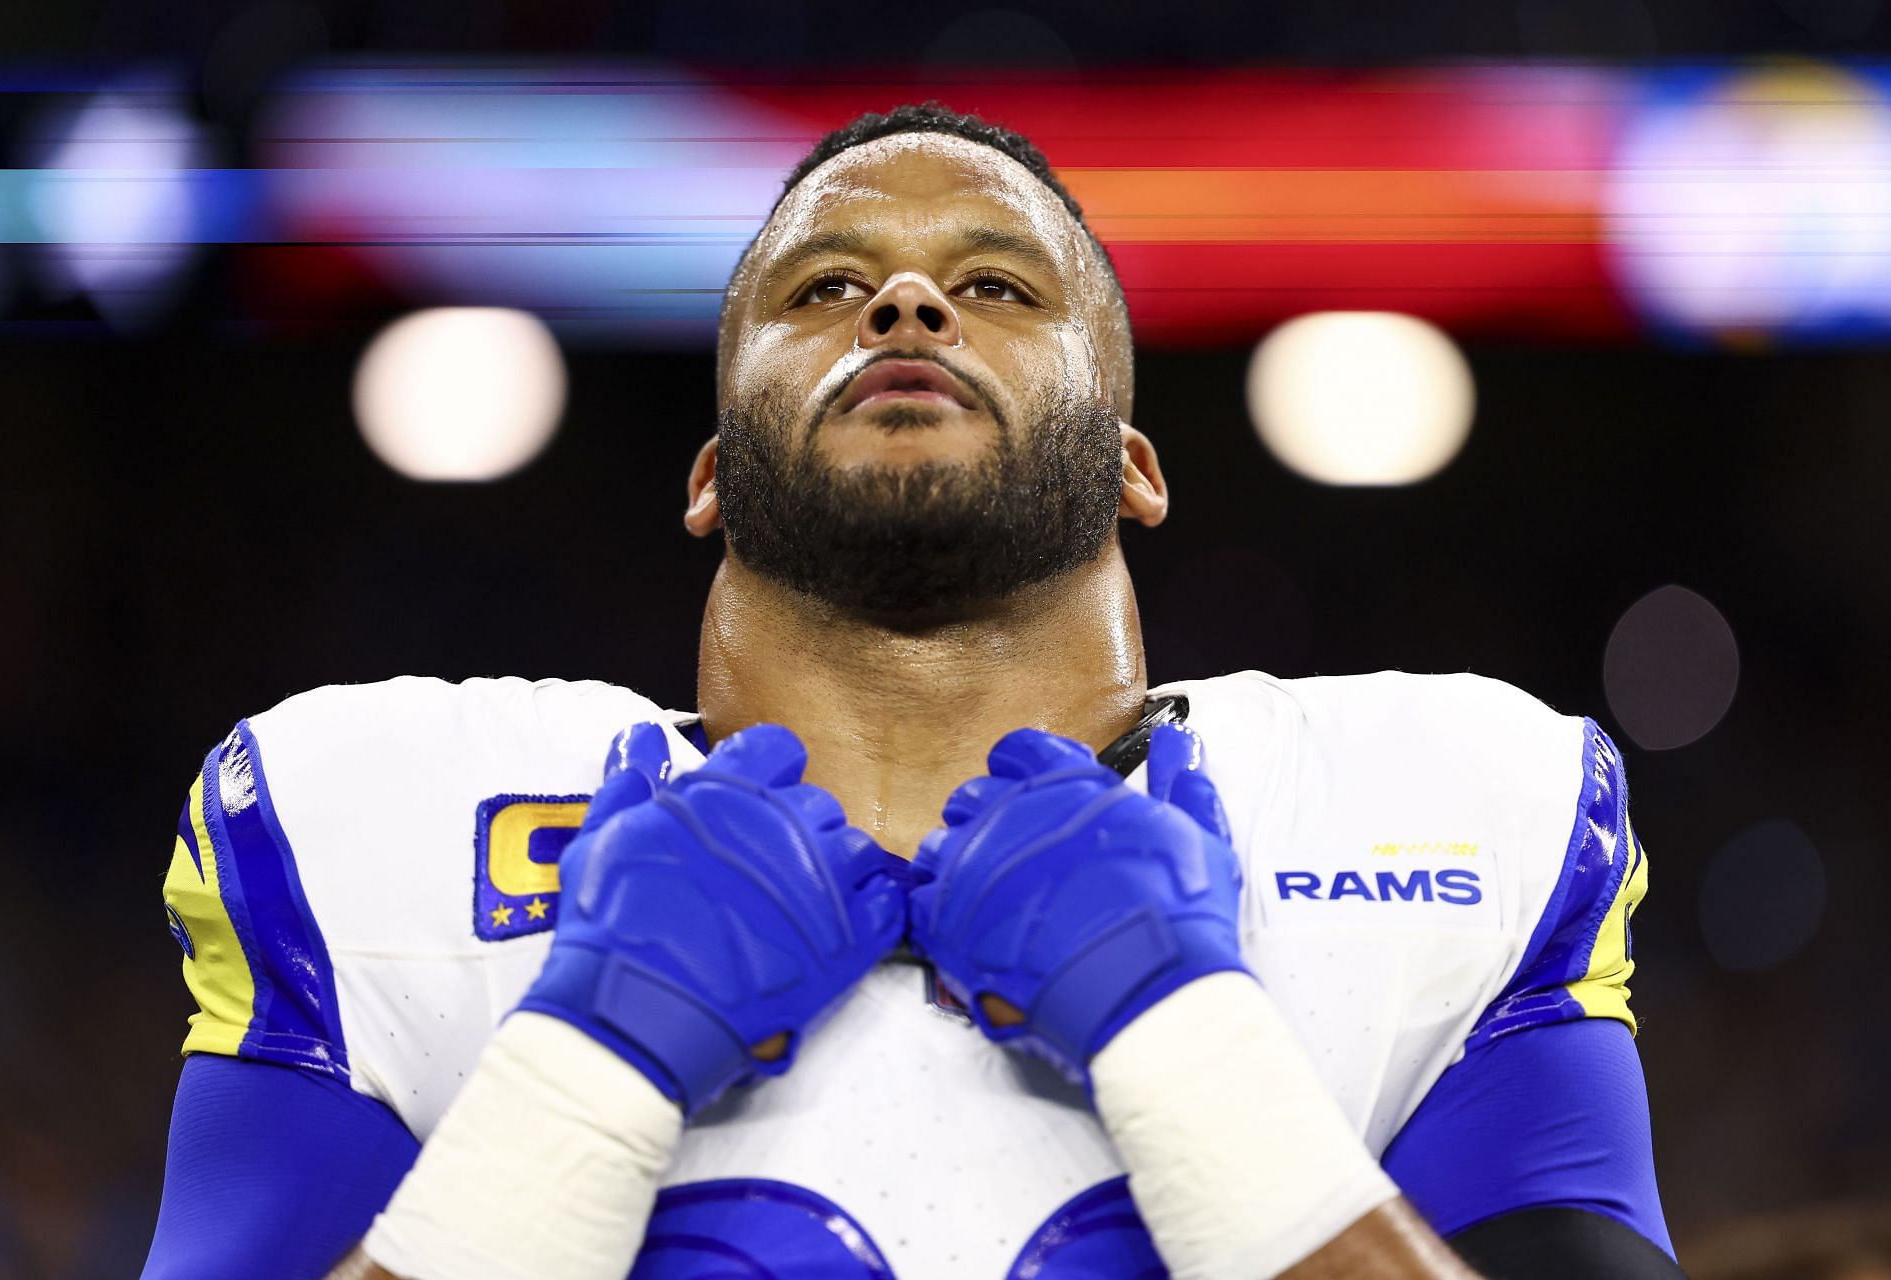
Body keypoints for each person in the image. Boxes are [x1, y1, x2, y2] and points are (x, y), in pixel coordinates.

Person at [140, 102, 1682, 1280]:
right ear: (710, 475)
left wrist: (1183, 1045)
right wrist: (583, 1076)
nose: (906, 309)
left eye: (1000, 286)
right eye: (824, 290)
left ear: (1136, 466)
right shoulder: (364, 821)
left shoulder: (1455, 799)